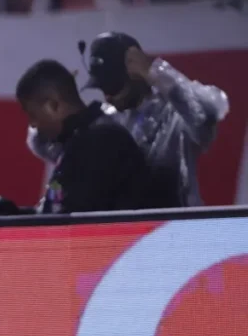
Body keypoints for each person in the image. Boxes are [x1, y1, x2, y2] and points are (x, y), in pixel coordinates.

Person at [27, 32, 229, 208]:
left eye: (113, 87)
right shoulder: (103, 121)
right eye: (102, 88)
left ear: (136, 75)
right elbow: (43, 143)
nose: (108, 96)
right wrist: (61, 99)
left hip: (174, 229)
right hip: (124, 236)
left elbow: (207, 113)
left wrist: (156, 71)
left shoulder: (175, 113)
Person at [0, 59, 157, 216]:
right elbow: (53, 213)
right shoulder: (76, 142)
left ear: (53, 105)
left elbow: (66, 225)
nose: (33, 125)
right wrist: (5, 211)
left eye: (33, 116)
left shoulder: (100, 142)